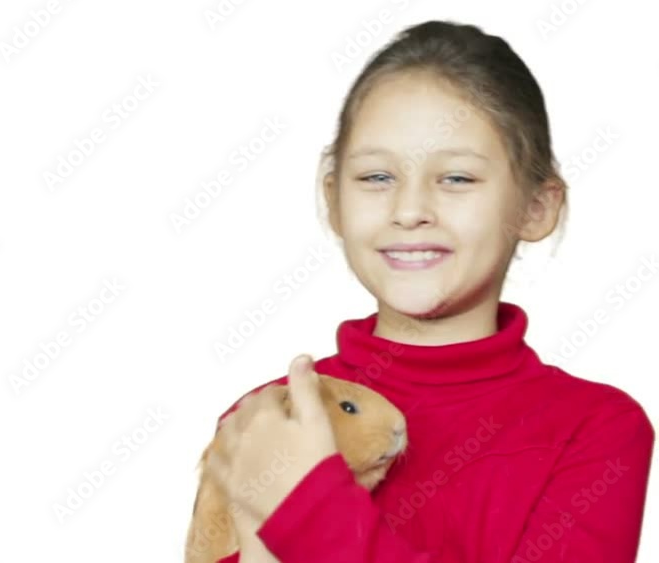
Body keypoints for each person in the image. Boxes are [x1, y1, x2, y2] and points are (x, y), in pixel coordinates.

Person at [202, 20, 656, 563]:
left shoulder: (598, 429)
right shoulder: (271, 416)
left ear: (536, 207)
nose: (410, 210)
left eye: (457, 178)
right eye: (377, 177)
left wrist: (307, 511)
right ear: (334, 200)